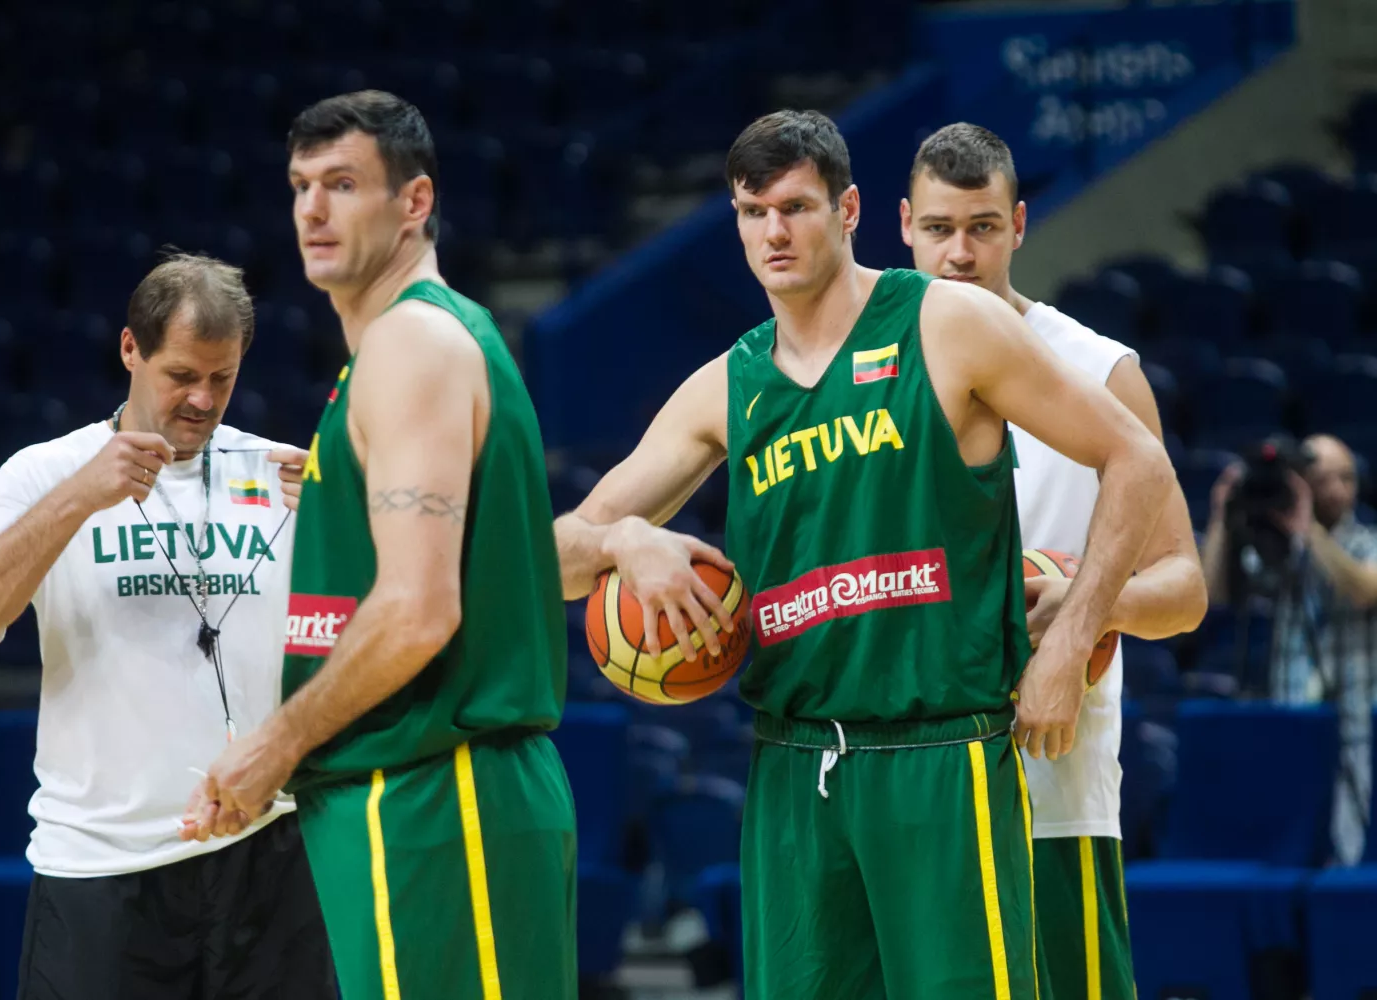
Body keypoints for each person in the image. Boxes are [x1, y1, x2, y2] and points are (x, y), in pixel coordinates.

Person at [554, 108, 1174, 999]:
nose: (774, 232)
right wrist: (623, 536)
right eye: (754, 212)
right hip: (794, 767)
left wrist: (1072, 640)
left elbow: (1136, 459)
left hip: (943, 754)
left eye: (796, 207)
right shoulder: (727, 385)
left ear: (848, 211)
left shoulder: (946, 323)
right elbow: (554, 557)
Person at [179, 90, 577, 1000]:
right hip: (415, 799)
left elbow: (416, 610)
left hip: (437, 796)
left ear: (414, 201)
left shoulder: (410, 345)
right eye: (300, 186)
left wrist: (275, 745)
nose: (313, 210)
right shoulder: (408, 347)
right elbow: (499, 562)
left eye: (344, 183)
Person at [0, 253, 333, 1000]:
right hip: (103, 870)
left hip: (273, 857)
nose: (203, 399)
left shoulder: (282, 474)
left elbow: (344, 642)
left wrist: (348, 537)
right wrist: (80, 497)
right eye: (182, 375)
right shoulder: (45, 473)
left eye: (222, 377)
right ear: (129, 349)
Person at [902, 122, 1207, 1000]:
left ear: (1021, 225)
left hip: (1052, 791)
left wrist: (1086, 609)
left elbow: (1184, 589)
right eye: (939, 228)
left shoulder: (1100, 370)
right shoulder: (865, 371)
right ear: (904, 225)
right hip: (904, 783)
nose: (960, 254)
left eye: (983, 227)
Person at [1204, 432, 1377, 862]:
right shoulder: (1279, 546)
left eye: (1346, 477)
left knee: (1346, 858)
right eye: (1323, 478)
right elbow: (1212, 594)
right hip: (1292, 720)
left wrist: (1308, 531)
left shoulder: (1366, 541)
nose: (1337, 488)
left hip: (1354, 725)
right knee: (1288, 857)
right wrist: (1223, 517)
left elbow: (1363, 589)